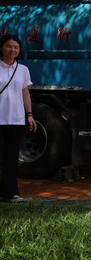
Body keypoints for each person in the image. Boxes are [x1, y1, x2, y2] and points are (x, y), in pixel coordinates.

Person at [0, 34, 37, 203]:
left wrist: (29, 115)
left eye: (15, 47)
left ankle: (11, 193)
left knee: (11, 158)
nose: (12, 50)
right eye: (8, 46)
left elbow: (25, 92)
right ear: (1, 47)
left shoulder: (22, 69)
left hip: (15, 119)